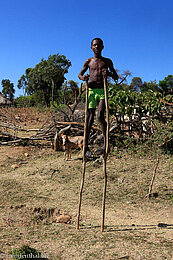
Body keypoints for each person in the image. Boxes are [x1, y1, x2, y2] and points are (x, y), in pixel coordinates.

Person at [78, 37, 118, 157]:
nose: (96, 47)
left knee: (100, 116)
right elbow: (79, 74)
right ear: (91, 47)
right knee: (89, 119)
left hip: (102, 91)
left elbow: (116, 76)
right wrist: (83, 77)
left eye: (99, 45)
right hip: (91, 91)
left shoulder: (107, 61)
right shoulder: (88, 61)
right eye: (94, 45)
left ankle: (106, 145)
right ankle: (85, 147)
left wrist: (108, 73)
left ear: (103, 47)